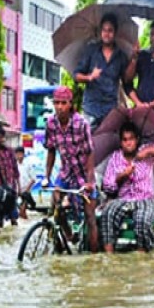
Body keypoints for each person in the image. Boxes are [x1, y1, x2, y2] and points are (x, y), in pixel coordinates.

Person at [100, 121, 154, 253]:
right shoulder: (115, 158)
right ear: (121, 142)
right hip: (123, 199)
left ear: (137, 139)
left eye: (131, 139)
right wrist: (122, 175)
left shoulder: (145, 152)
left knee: (142, 222)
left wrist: (149, 151)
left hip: (145, 198)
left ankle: (141, 257)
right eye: (125, 140)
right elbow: (108, 186)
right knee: (107, 215)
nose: (128, 143)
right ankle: (108, 257)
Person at [43, 86, 99, 250]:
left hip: (83, 172)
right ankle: (68, 235)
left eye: (63, 103)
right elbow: (51, 151)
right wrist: (47, 177)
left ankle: (95, 258)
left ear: (70, 104)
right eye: (56, 103)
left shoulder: (81, 124)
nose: (59, 107)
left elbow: (90, 153)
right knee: (55, 205)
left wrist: (89, 182)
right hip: (66, 171)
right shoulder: (51, 123)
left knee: (90, 216)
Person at [74, 13, 129, 130]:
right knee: (88, 145)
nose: (106, 33)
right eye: (104, 30)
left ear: (115, 33)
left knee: (107, 145)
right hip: (91, 108)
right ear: (100, 32)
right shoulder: (91, 50)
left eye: (110, 30)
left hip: (110, 110)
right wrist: (89, 77)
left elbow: (127, 81)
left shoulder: (121, 56)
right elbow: (76, 75)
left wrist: (134, 58)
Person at [0, 127, 21, 226]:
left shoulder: (10, 151)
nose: (2, 140)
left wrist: (19, 187)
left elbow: (15, 169)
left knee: (13, 216)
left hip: (11, 187)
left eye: (3, 137)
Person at [16, 146, 36, 220]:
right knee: (19, 210)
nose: (19, 156)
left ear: (23, 154)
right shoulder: (15, 165)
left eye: (20, 154)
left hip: (26, 191)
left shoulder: (28, 164)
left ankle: (26, 223)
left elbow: (33, 179)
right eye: (17, 154)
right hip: (18, 190)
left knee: (22, 210)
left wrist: (27, 189)